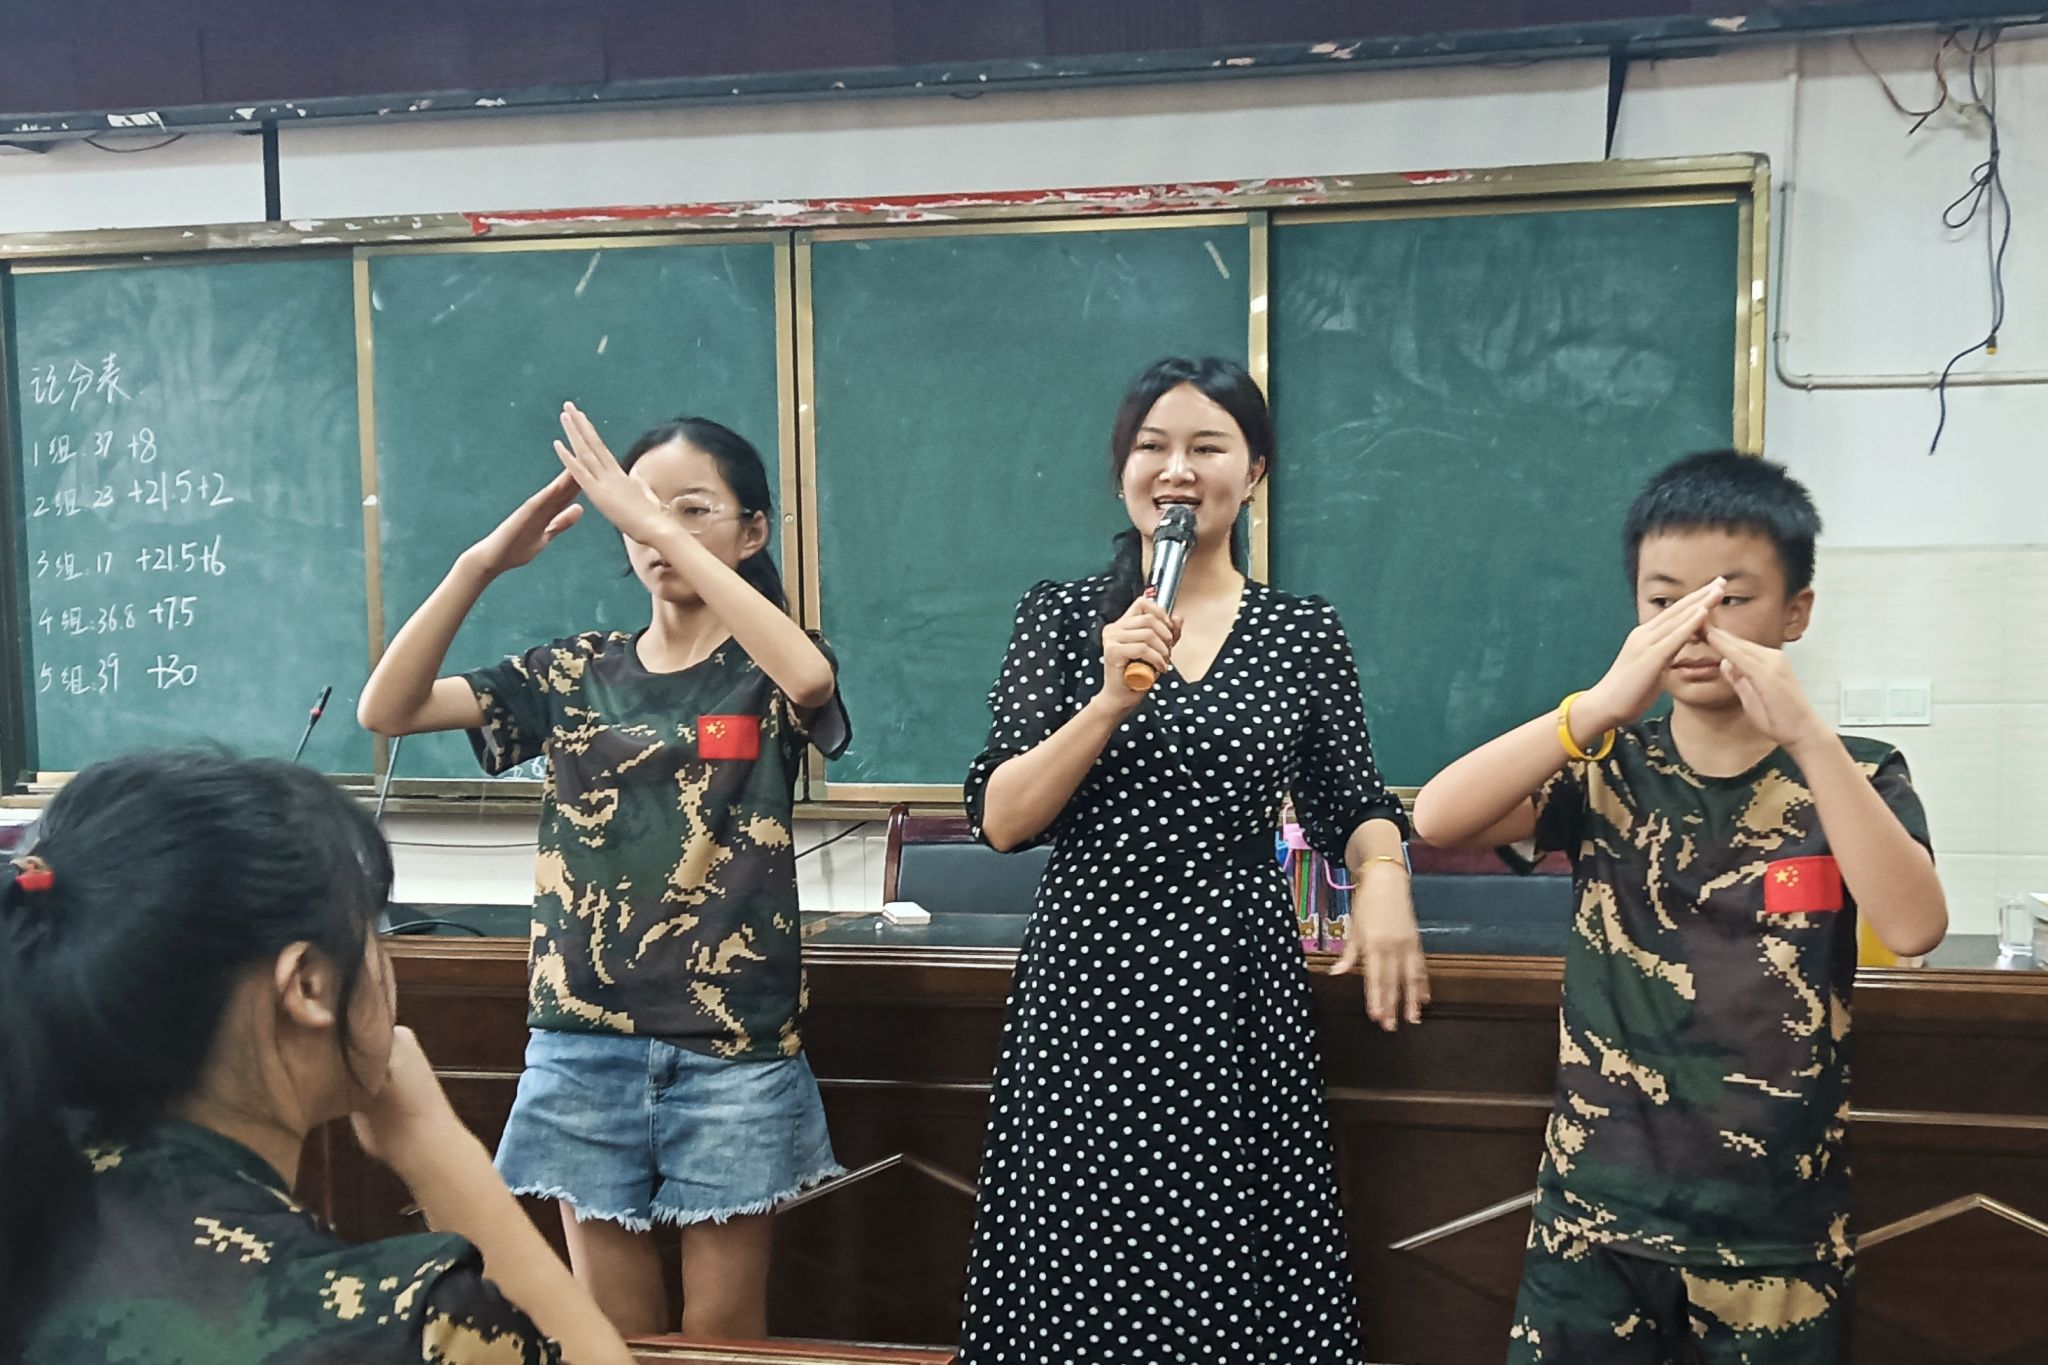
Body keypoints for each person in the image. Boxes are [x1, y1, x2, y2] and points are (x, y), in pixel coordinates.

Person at [1413, 450, 1947, 1363]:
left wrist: (1806, 733)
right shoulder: (1606, 764)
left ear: (1796, 612)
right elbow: (1438, 816)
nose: (1696, 626)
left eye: (1729, 597)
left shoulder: (1857, 771)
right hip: (1594, 1221)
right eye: (1666, 601)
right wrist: (1596, 707)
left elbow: (1913, 925)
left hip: (1775, 1234)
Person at [957, 356, 1426, 1364]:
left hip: (1233, 978)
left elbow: (1355, 802)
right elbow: (1001, 817)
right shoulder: (1061, 615)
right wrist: (1108, 700)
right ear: (1121, 470)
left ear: (1251, 473)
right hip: (1090, 979)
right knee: (1083, 1254)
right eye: (1151, 447)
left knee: (1228, 1249)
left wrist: (1382, 881)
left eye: (1207, 447)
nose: (1176, 470)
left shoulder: (1302, 630)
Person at [358, 405, 849, 1339]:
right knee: (607, 1336)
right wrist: (479, 566)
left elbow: (811, 681)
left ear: (753, 531)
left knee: (722, 1337)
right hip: (583, 1042)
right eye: (639, 510)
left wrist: (658, 522)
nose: (656, 530)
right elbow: (388, 709)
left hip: (731, 1047)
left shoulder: (766, 665)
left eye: (692, 508)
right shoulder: (574, 671)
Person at [0, 750, 632, 1365]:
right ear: (308, 985)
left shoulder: (31, 1192)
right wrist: (428, 1139)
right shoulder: (398, 1323)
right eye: (372, 931)